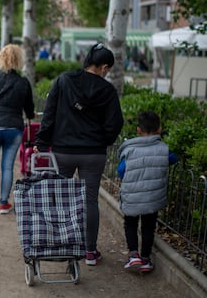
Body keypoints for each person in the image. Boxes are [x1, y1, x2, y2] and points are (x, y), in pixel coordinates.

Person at [34, 43, 124, 265]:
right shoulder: (107, 90)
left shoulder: (64, 80)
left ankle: (64, 245)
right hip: (93, 154)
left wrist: (42, 142)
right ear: (103, 66)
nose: (107, 73)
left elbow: (50, 113)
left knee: (62, 198)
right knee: (90, 201)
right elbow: (115, 123)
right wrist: (102, 141)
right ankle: (90, 252)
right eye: (108, 69)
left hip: (63, 151)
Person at [117, 111, 177, 273]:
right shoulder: (163, 149)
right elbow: (173, 159)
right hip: (152, 197)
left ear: (138, 130)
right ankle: (145, 259)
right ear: (159, 129)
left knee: (130, 223)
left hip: (132, 195)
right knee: (148, 226)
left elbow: (121, 170)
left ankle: (133, 255)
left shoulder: (129, 149)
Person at [0, 44, 35, 214]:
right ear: (19, 60)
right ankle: (4, 202)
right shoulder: (23, 82)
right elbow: (30, 111)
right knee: (8, 166)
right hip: (13, 127)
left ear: (1, 58)